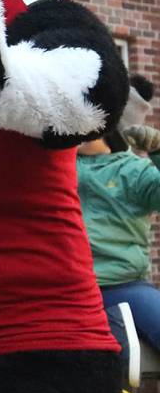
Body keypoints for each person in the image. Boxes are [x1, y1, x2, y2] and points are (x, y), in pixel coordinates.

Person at [77, 75, 160, 350]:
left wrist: (158, 152)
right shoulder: (56, 168)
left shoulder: (135, 172)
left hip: (122, 285)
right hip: (64, 287)